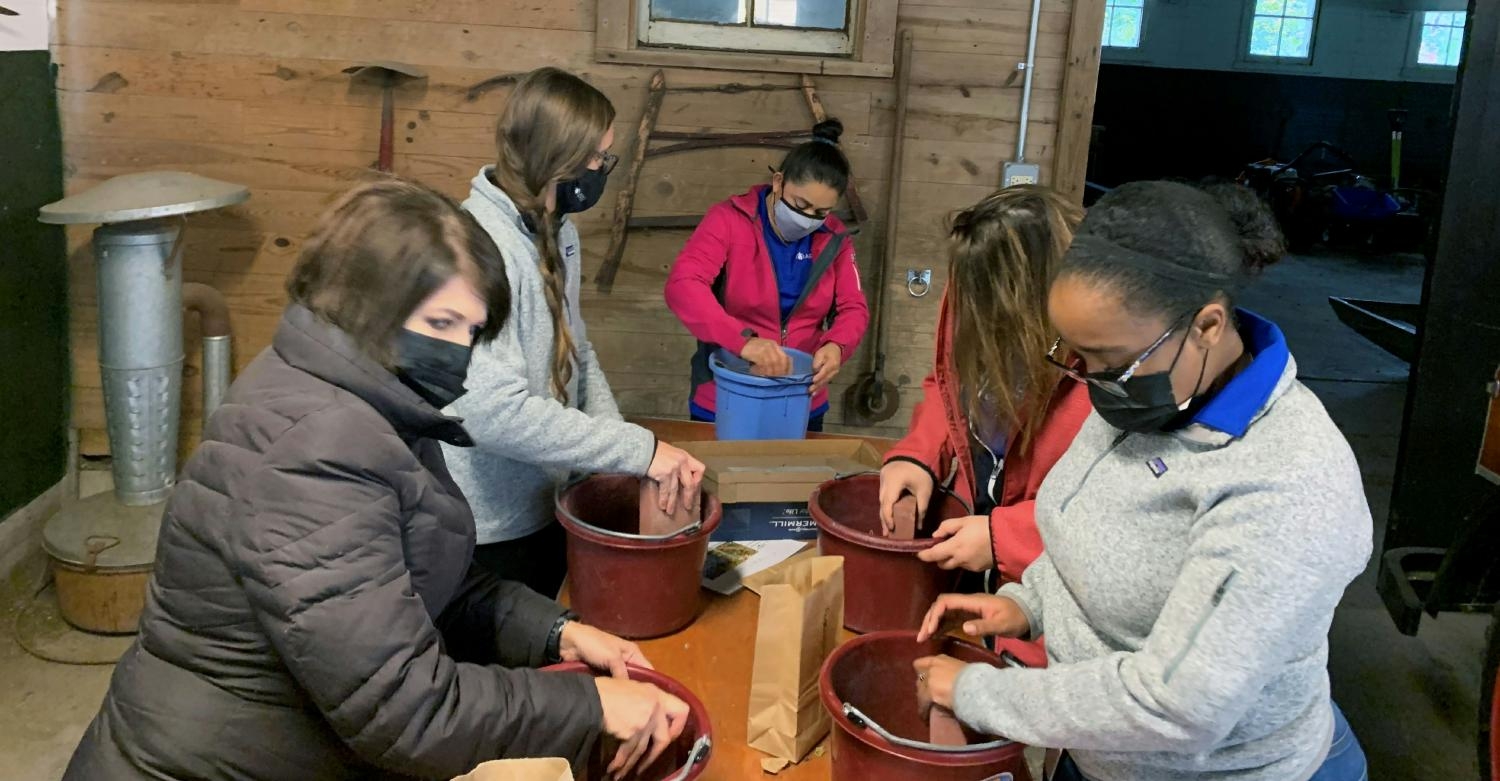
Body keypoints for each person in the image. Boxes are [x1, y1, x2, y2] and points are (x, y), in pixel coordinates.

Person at [64, 180, 689, 781]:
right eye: (442, 324)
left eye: (472, 333)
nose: (460, 353)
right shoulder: (314, 451)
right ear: (366, 304)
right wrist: (593, 708)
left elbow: (421, 579)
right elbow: (402, 708)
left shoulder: (372, 404)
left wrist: (557, 632)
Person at [913, 181, 1372, 781]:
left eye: (1108, 360)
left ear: (1208, 325)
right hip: (1102, 750)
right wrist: (1026, 605)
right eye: (1077, 356)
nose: (1091, 379)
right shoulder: (1153, 394)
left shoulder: (1288, 483)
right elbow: (1088, 532)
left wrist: (979, 694)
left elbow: (1178, 705)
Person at [449, 67, 704, 599]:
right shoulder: (478, 249)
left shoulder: (557, 230)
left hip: (544, 500)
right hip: (486, 528)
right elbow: (490, 414)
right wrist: (637, 450)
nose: (600, 169)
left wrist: (617, 463)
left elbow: (577, 352)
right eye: (595, 156)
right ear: (554, 154)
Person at [877, 185, 1089, 669]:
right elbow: (948, 383)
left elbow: (1111, 516)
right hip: (990, 567)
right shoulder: (976, 283)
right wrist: (918, 455)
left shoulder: (1103, 370)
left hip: (1053, 612)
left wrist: (1005, 538)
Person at [664, 119, 870, 431]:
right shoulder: (728, 220)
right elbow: (684, 285)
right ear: (778, 181)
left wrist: (837, 346)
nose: (808, 219)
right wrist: (742, 342)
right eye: (801, 204)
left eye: (821, 212)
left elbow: (853, 308)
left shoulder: (836, 238)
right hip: (727, 392)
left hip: (801, 397)